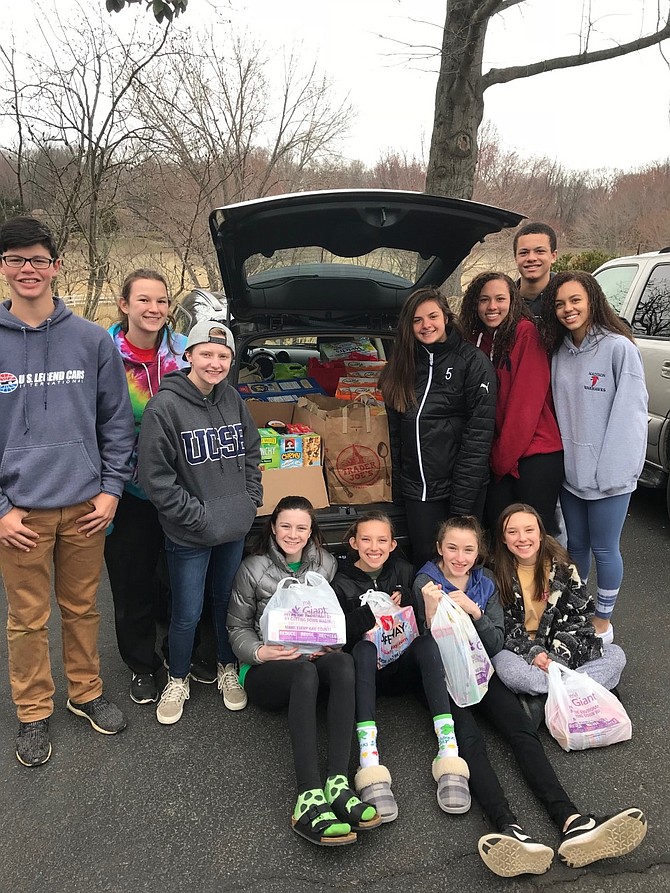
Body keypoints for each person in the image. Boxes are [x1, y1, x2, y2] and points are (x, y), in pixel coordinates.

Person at [414, 515, 646, 878]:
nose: (460, 557)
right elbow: (425, 645)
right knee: (471, 742)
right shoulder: (426, 581)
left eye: (469, 549)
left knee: (521, 731)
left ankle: (572, 819)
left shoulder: (485, 581)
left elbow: (493, 643)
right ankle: (506, 827)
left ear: (479, 552)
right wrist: (429, 611)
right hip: (445, 675)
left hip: (481, 667)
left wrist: (475, 612)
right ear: (440, 548)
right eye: (452, 548)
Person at [0, 216, 135, 767]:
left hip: (85, 507)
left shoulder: (91, 340)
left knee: (81, 608)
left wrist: (110, 493)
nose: (27, 269)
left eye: (37, 259)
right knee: (27, 618)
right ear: (3, 268)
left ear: (56, 266)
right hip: (20, 515)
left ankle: (86, 693)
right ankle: (33, 712)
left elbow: (117, 424)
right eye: (15, 260)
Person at [227, 496, 381, 845]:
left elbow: (332, 615)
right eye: (285, 526)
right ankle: (308, 796)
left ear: (313, 532)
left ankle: (337, 782)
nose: (292, 534)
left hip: (313, 657)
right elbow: (236, 628)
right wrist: (261, 651)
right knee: (303, 673)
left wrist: (332, 642)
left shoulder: (325, 563)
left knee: (343, 662)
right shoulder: (253, 567)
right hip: (268, 669)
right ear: (273, 527)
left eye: (301, 527)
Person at [138, 319, 262, 724]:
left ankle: (227, 668)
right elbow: (156, 479)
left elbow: (251, 455)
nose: (215, 362)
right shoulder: (165, 407)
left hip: (233, 527)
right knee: (187, 611)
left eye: (223, 355)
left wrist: (249, 502)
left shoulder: (234, 401)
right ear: (187, 355)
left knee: (227, 603)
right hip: (189, 533)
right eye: (205, 354)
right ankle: (178, 676)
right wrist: (198, 517)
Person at [330, 511, 471, 823]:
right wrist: (364, 616)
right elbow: (337, 637)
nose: (374, 546)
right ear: (353, 542)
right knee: (364, 649)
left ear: (393, 544)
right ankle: (369, 761)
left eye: (382, 540)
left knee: (427, 644)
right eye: (365, 539)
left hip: (403, 666)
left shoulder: (405, 570)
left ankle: (448, 751)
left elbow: (422, 623)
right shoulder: (340, 581)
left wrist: (407, 598)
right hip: (369, 675)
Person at [541, 271, 648, 645]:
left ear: (592, 300)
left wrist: (614, 472)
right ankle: (578, 608)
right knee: (576, 549)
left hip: (610, 477)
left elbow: (631, 416)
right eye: (559, 304)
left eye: (575, 300)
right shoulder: (558, 353)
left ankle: (602, 620)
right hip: (572, 475)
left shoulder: (619, 349)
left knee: (605, 549)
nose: (568, 309)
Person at [104, 269, 189, 706]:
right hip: (126, 488)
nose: (154, 309)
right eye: (144, 300)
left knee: (181, 577)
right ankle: (142, 664)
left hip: (181, 484)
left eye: (161, 301)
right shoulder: (103, 353)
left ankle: (180, 657)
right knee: (132, 580)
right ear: (124, 304)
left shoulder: (184, 353)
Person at [378, 286, 496, 567]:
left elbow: (478, 437)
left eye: (432, 316)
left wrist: (461, 505)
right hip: (419, 490)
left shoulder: (472, 362)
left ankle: (467, 612)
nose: (425, 325)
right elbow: (395, 434)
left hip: (460, 487)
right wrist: (396, 489)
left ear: (445, 316)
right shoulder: (401, 364)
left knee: (461, 564)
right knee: (427, 563)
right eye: (417, 320)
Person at [491, 503, 626, 726]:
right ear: (503, 538)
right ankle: (579, 693)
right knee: (505, 666)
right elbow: (503, 625)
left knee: (616, 655)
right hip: (522, 651)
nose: (522, 538)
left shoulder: (563, 568)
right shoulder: (496, 573)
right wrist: (533, 652)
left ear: (541, 534)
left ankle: (543, 700)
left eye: (529, 530)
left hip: (560, 649)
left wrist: (557, 657)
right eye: (512, 532)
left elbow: (580, 619)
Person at [459, 272, 564, 536]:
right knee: (499, 535)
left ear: (513, 301)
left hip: (534, 454)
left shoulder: (525, 333)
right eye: (484, 300)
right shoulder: (474, 339)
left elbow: (524, 408)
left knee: (533, 541)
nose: (492, 307)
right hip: (497, 456)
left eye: (499, 299)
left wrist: (499, 460)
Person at [513, 222, 558, 318]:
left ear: (553, 256)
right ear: (515, 258)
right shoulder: (504, 300)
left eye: (540, 251)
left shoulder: (567, 297)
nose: (531, 258)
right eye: (524, 252)